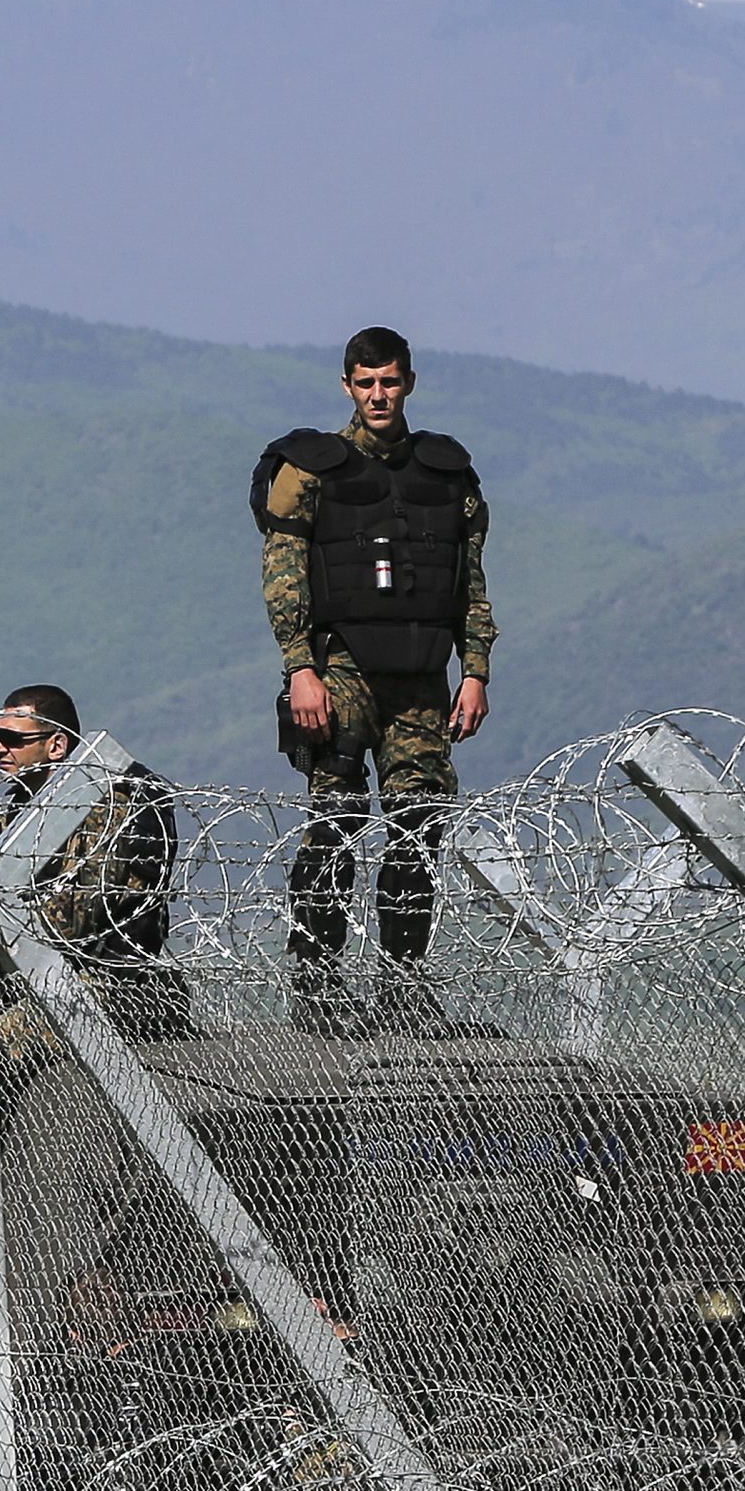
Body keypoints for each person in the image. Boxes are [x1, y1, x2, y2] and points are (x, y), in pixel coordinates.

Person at [251, 326, 494, 1035]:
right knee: (337, 817)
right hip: (341, 666)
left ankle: (403, 982)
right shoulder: (312, 469)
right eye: (366, 382)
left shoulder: (448, 475)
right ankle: (319, 981)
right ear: (347, 385)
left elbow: (469, 583)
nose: (378, 394)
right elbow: (283, 575)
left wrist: (474, 670)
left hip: (421, 673)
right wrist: (300, 667)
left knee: (419, 825)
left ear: (409, 382)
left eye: (390, 381)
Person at [0, 685, 188, 1039]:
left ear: (56, 746)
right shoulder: (21, 808)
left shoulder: (105, 808)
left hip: (111, 980)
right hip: (35, 969)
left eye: (12, 739)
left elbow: (72, 922)